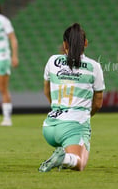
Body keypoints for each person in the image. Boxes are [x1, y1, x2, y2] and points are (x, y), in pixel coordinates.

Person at [39, 23, 104, 172]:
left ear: (64, 44)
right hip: (73, 124)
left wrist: (57, 108)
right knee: (80, 164)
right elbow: (98, 103)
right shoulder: (94, 66)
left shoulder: (52, 61)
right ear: (85, 43)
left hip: (49, 126)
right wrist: (85, 116)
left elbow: (46, 91)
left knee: (82, 153)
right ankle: (64, 158)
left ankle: (63, 154)